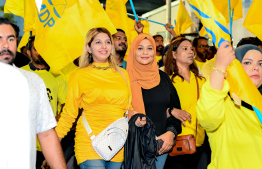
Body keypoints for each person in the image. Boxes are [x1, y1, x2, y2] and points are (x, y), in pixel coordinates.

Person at [55, 27, 132, 169]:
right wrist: (52, 145)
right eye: (98, 42)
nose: (104, 46)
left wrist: (138, 118)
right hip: (89, 143)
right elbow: (69, 114)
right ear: (88, 48)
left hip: (117, 143)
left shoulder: (123, 74)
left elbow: (129, 108)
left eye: (108, 42)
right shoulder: (78, 76)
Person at [0, 17, 66, 169]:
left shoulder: (33, 81)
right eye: (0, 38)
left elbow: (47, 134)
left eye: (10, 39)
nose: (5, 44)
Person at [196, 42, 262, 169]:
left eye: (261, 63)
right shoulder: (223, 102)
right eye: (248, 62)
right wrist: (220, 66)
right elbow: (208, 117)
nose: (256, 67)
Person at [126, 33, 182, 169]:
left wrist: (171, 133)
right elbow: (113, 110)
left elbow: (176, 112)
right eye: (140, 48)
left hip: (160, 146)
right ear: (133, 50)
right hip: (131, 146)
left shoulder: (163, 78)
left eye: (150, 48)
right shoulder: (122, 77)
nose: (145, 52)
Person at [21, 35, 68, 167]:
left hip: (49, 142)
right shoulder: (19, 73)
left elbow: (66, 106)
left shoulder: (58, 76)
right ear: (29, 52)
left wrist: (54, 122)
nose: (40, 52)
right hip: (24, 143)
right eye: (36, 48)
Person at [164, 37, 207, 169]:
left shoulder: (201, 81)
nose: (190, 52)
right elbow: (155, 109)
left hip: (201, 142)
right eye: (185, 49)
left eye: (191, 49)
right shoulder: (167, 80)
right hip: (177, 142)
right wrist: (172, 111)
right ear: (174, 54)